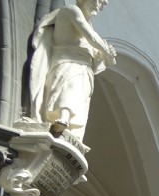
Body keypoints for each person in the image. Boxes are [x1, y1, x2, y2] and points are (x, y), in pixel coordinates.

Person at [27, 0, 116, 142]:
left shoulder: (90, 25)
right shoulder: (71, 11)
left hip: (84, 69)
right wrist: (105, 49)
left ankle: (72, 135)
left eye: (102, 4)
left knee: (79, 97)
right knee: (70, 88)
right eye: (96, 1)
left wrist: (104, 56)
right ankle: (62, 119)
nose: (98, 6)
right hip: (68, 62)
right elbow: (90, 37)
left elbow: (95, 58)